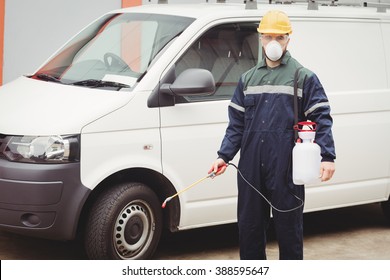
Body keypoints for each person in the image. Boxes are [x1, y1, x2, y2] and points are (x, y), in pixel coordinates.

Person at [209, 10, 336, 260]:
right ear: (260, 39)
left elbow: (321, 118)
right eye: (268, 37)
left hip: (287, 165)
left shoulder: (304, 77)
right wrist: (223, 156)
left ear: (288, 39)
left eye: (279, 37)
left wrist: (327, 156)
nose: (273, 43)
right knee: (249, 228)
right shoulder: (248, 79)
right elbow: (236, 125)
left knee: (289, 230)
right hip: (250, 167)